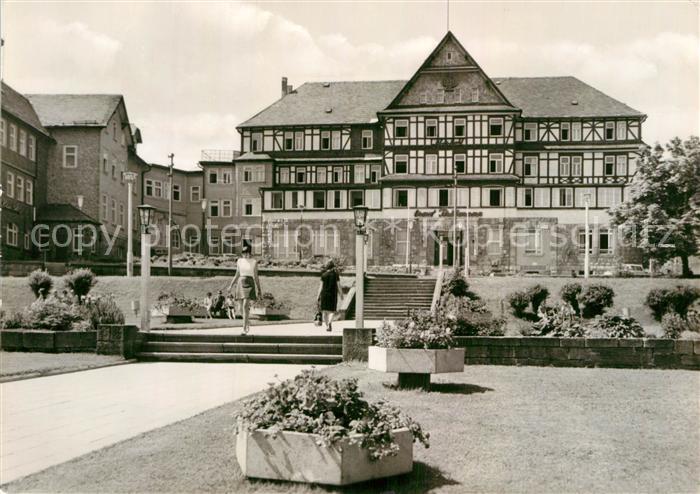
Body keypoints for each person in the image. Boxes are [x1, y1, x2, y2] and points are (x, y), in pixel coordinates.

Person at [228, 244, 262, 335]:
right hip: (240, 283)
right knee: (239, 308)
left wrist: (259, 289)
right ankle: (247, 321)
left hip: (250, 282)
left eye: (247, 253)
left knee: (245, 305)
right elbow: (237, 274)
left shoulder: (254, 262)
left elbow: (256, 276)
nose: (246, 255)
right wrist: (231, 285)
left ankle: (244, 328)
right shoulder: (239, 261)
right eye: (244, 253)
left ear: (250, 253)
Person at [316, 259, 343, 332]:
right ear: (332, 267)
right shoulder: (335, 275)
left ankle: (327, 325)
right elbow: (339, 286)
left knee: (324, 312)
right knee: (331, 311)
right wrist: (341, 294)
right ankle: (330, 324)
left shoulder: (323, 275)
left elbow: (320, 287)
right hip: (333, 295)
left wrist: (318, 296)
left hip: (324, 295)